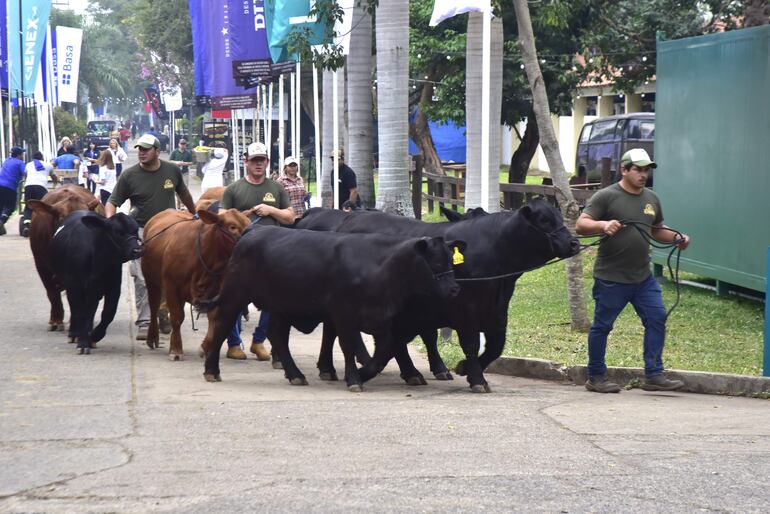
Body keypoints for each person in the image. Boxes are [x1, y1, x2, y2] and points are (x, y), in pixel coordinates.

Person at [575, 148, 690, 394]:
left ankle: (654, 374)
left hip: (642, 277)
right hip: (611, 277)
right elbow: (581, 224)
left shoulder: (651, 198)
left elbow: (657, 228)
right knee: (602, 326)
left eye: (646, 170)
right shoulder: (606, 196)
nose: (643, 174)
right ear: (624, 169)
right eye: (638, 169)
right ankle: (596, 376)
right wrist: (603, 224)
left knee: (657, 317)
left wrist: (677, 237)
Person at [105, 133, 196, 340]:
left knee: (169, 276)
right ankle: (146, 321)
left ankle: (162, 310)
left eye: (146, 149)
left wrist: (195, 213)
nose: (142, 153)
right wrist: (110, 221)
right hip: (140, 231)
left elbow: (184, 194)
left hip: (171, 230)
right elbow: (112, 202)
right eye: (139, 149)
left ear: (157, 150)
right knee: (142, 277)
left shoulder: (171, 170)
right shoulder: (129, 175)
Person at [219, 142, 294, 360]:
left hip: (272, 254)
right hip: (241, 254)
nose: (258, 164)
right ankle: (234, 343)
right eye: (254, 160)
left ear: (267, 162)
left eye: (262, 160)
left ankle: (259, 341)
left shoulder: (277, 188)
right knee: (236, 300)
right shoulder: (234, 189)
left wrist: (271, 210)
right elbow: (222, 218)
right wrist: (246, 214)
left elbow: (290, 216)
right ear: (246, 162)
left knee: (273, 301)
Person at [21, 151, 58, 236]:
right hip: (41, 186)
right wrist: (55, 183)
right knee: (42, 206)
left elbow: (25, 176)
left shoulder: (29, 164)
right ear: (42, 158)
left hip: (28, 186)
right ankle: (42, 226)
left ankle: (26, 225)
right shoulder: (48, 165)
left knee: (28, 206)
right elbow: (54, 177)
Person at [0, 147, 26, 236]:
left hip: (0, 185)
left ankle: (1, 225)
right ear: (19, 155)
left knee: (1, 205)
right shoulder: (20, 163)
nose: (23, 156)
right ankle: (2, 221)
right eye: (22, 154)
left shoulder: (7, 160)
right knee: (10, 207)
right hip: (10, 187)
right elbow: (25, 173)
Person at [276, 156, 307, 220]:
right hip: (289, 216)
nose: (293, 168)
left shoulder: (300, 179)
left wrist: (306, 195)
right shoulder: (280, 181)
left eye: (294, 165)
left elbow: (303, 195)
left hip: (302, 215)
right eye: (290, 166)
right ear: (285, 167)